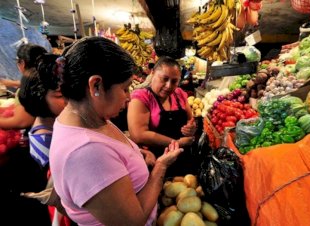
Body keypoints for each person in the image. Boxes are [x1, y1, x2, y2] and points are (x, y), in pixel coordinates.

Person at [49, 37, 182, 226]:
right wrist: (161, 168)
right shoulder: (86, 152)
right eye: (125, 88)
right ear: (96, 85)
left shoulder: (88, 118)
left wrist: (134, 155)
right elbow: (132, 221)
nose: (128, 98)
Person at [17, 54, 74, 226]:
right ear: (40, 98)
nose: (67, 100)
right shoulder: (47, 139)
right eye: (59, 96)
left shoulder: (50, 127)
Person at [127, 56, 198, 177]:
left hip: (183, 159)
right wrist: (178, 143)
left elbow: (190, 121)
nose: (168, 85)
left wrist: (191, 129)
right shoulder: (142, 97)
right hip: (156, 162)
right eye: (164, 79)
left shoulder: (180, 94)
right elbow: (138, 135)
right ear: (153, 73)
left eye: (174, 81)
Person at [0, 43, 47, 129]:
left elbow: (21, 122)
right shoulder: (49, 80)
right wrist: (10, 83)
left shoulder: (28, 89)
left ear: (22, 63)